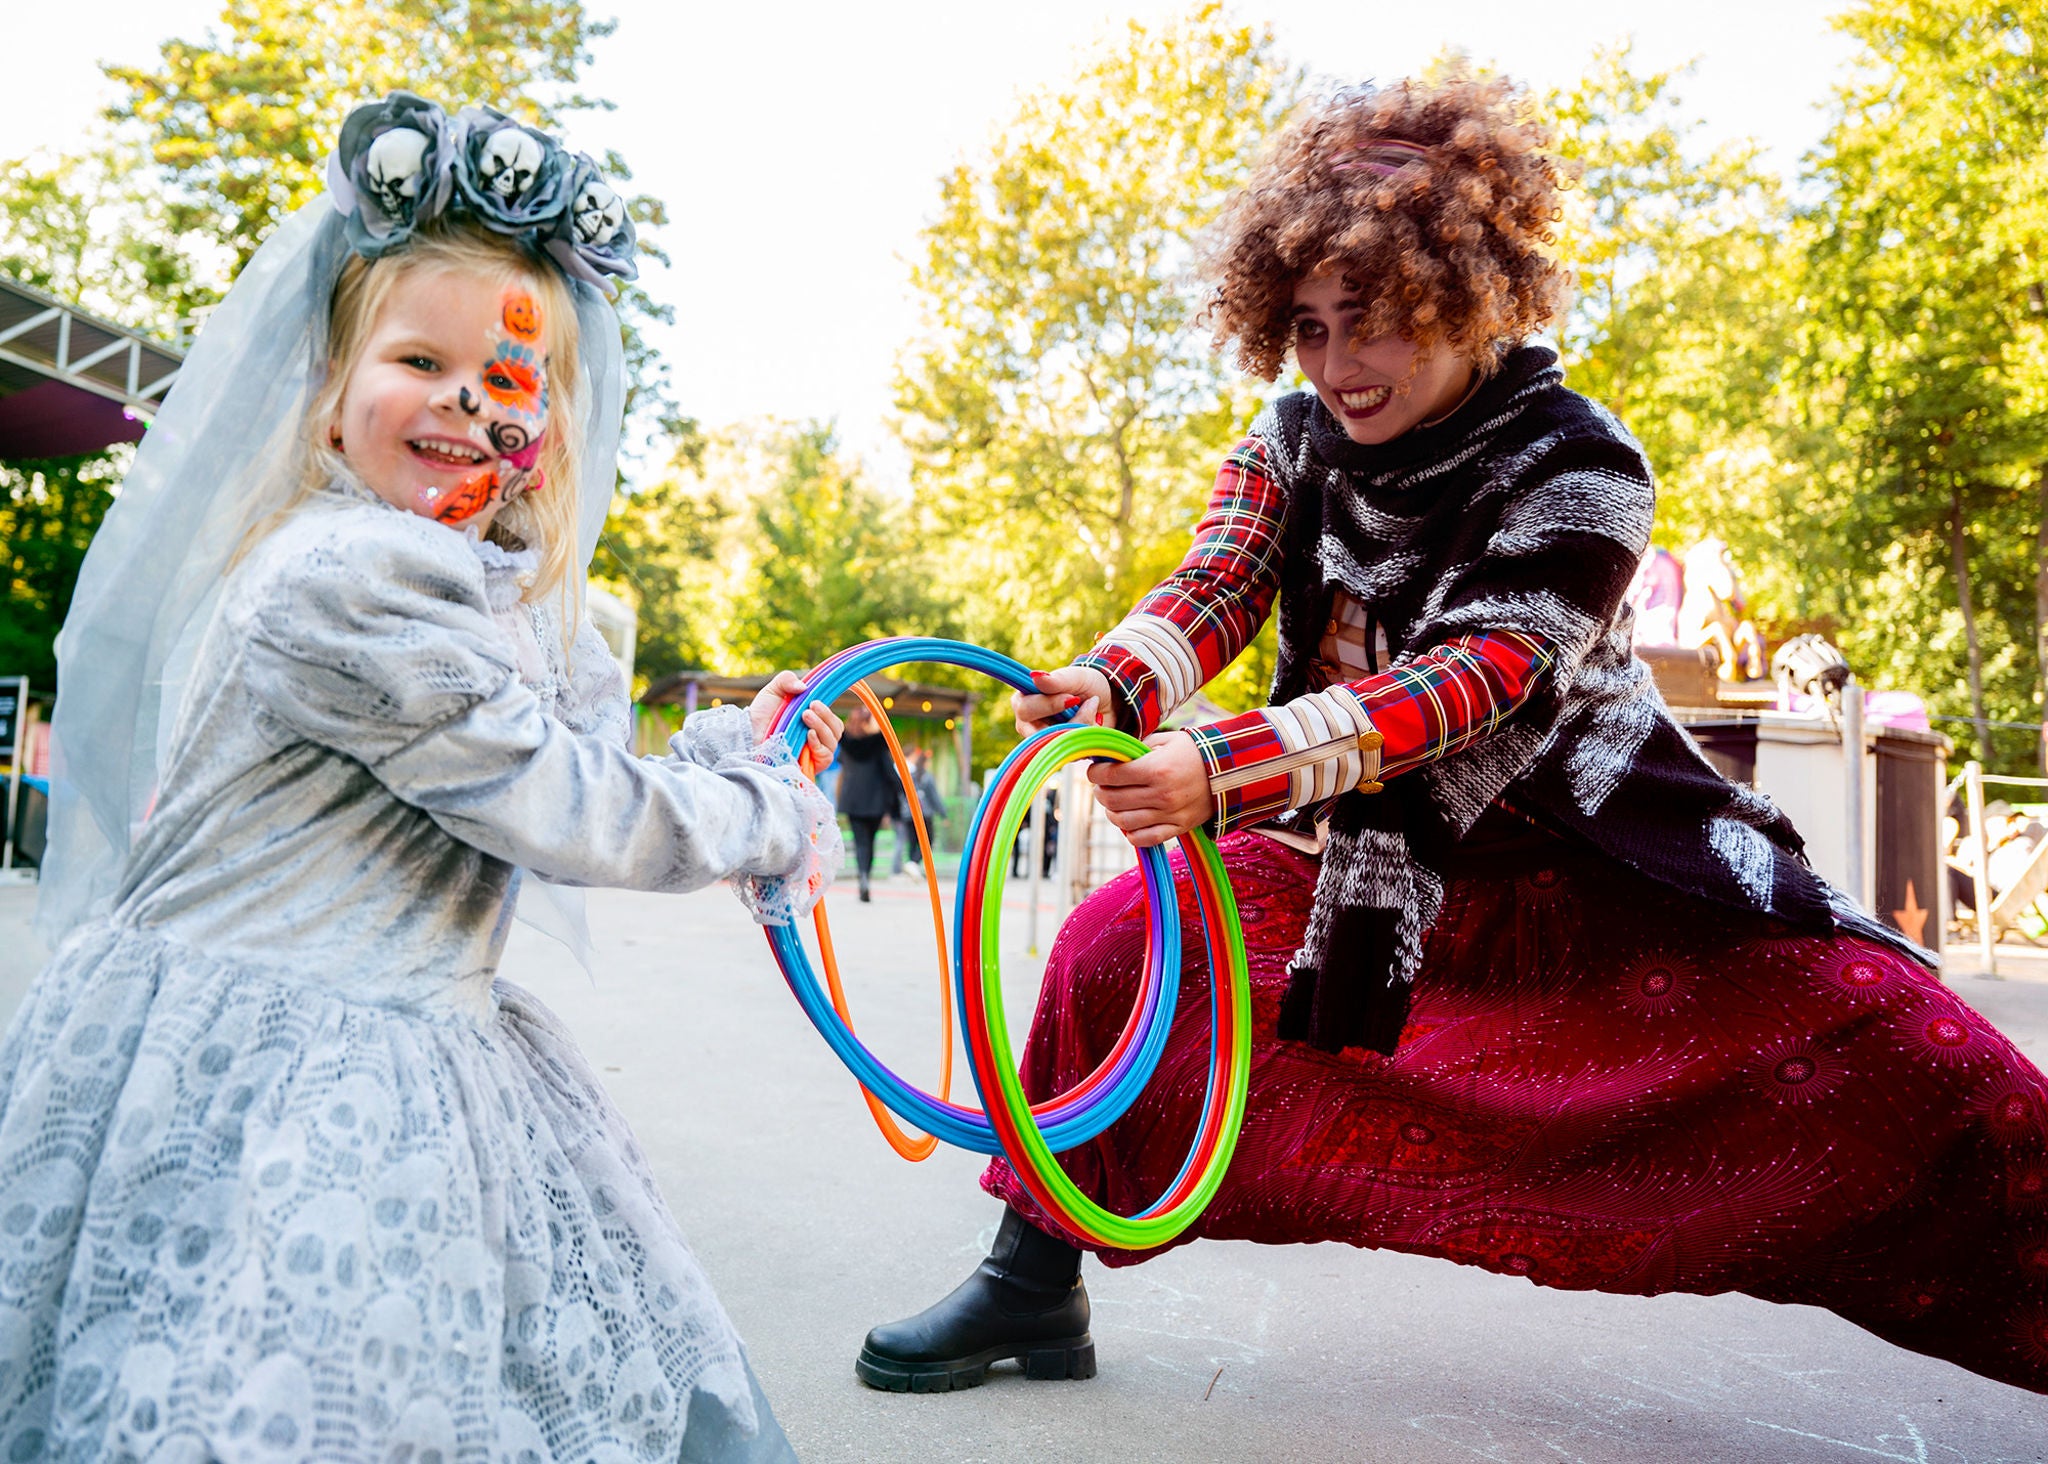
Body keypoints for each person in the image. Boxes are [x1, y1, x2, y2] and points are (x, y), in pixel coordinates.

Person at [856, 72, 2048, 1398]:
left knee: (1932, 1075)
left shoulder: (1582, 463)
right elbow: (1218, 579)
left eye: (1366, 323)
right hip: (1365, 874)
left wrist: (1224, 770)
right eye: (1304, 327)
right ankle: (1033, 1282)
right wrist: (1113, 686)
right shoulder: (1292, 436)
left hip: (1609, 888)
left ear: (1464, 297)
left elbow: (1469, 680)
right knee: (1115, 946)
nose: (1331, 364)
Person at [0, 94, 844, 1461]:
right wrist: (766, 813)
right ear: (331, 392)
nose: (464, 396)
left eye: (511, 377)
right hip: (281, 1055)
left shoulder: (452, 587)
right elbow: (563, 806)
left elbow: (554, 762)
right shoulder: (346, 580)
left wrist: (726, 758)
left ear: (553, 423)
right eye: (417, 357)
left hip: (400, 1019)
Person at [836, 703, 903, 902]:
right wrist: (901, 796)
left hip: (853, 800)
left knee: (860, 843)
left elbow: (842, 767)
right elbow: (890, 773)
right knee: (870, 842)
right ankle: (866, 877)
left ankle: (862, 877)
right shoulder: (879, 745)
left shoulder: (845, 743)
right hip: (875, 801)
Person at [904, 745, 947, 868]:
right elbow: (934, 797)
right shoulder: (927, 777)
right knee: (928, 841)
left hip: (908, 813)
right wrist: (943, 814)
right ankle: (913, 863)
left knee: (912, 841)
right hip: (924, 813)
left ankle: (912, 865)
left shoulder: (910, 775)